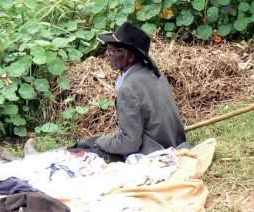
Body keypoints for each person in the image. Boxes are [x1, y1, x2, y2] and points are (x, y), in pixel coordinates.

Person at [68, 22, 186, 161]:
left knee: (81, 152)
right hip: (171, 141)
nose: (107, 55)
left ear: (129, 57)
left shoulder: (128, 89)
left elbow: (130, 144)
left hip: (152, 151)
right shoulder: (155, 74)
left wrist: (101, 141)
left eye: (113, 50)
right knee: (91, 142)